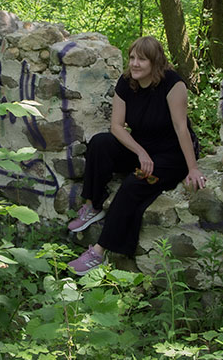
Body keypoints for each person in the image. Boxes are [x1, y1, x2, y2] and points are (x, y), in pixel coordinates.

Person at [66, 36, 206, 274]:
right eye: (132, 58)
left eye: (142, 59)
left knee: (134, 183)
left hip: (172, 155)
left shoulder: (173, 84)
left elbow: (181, 128)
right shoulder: (126, 83)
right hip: (143, 147)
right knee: (101, 143)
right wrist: (140, 152)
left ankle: (98, 251)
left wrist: (192, 168)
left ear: (155, 62)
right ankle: (93, 205)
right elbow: (117, 127)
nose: (135, 63)